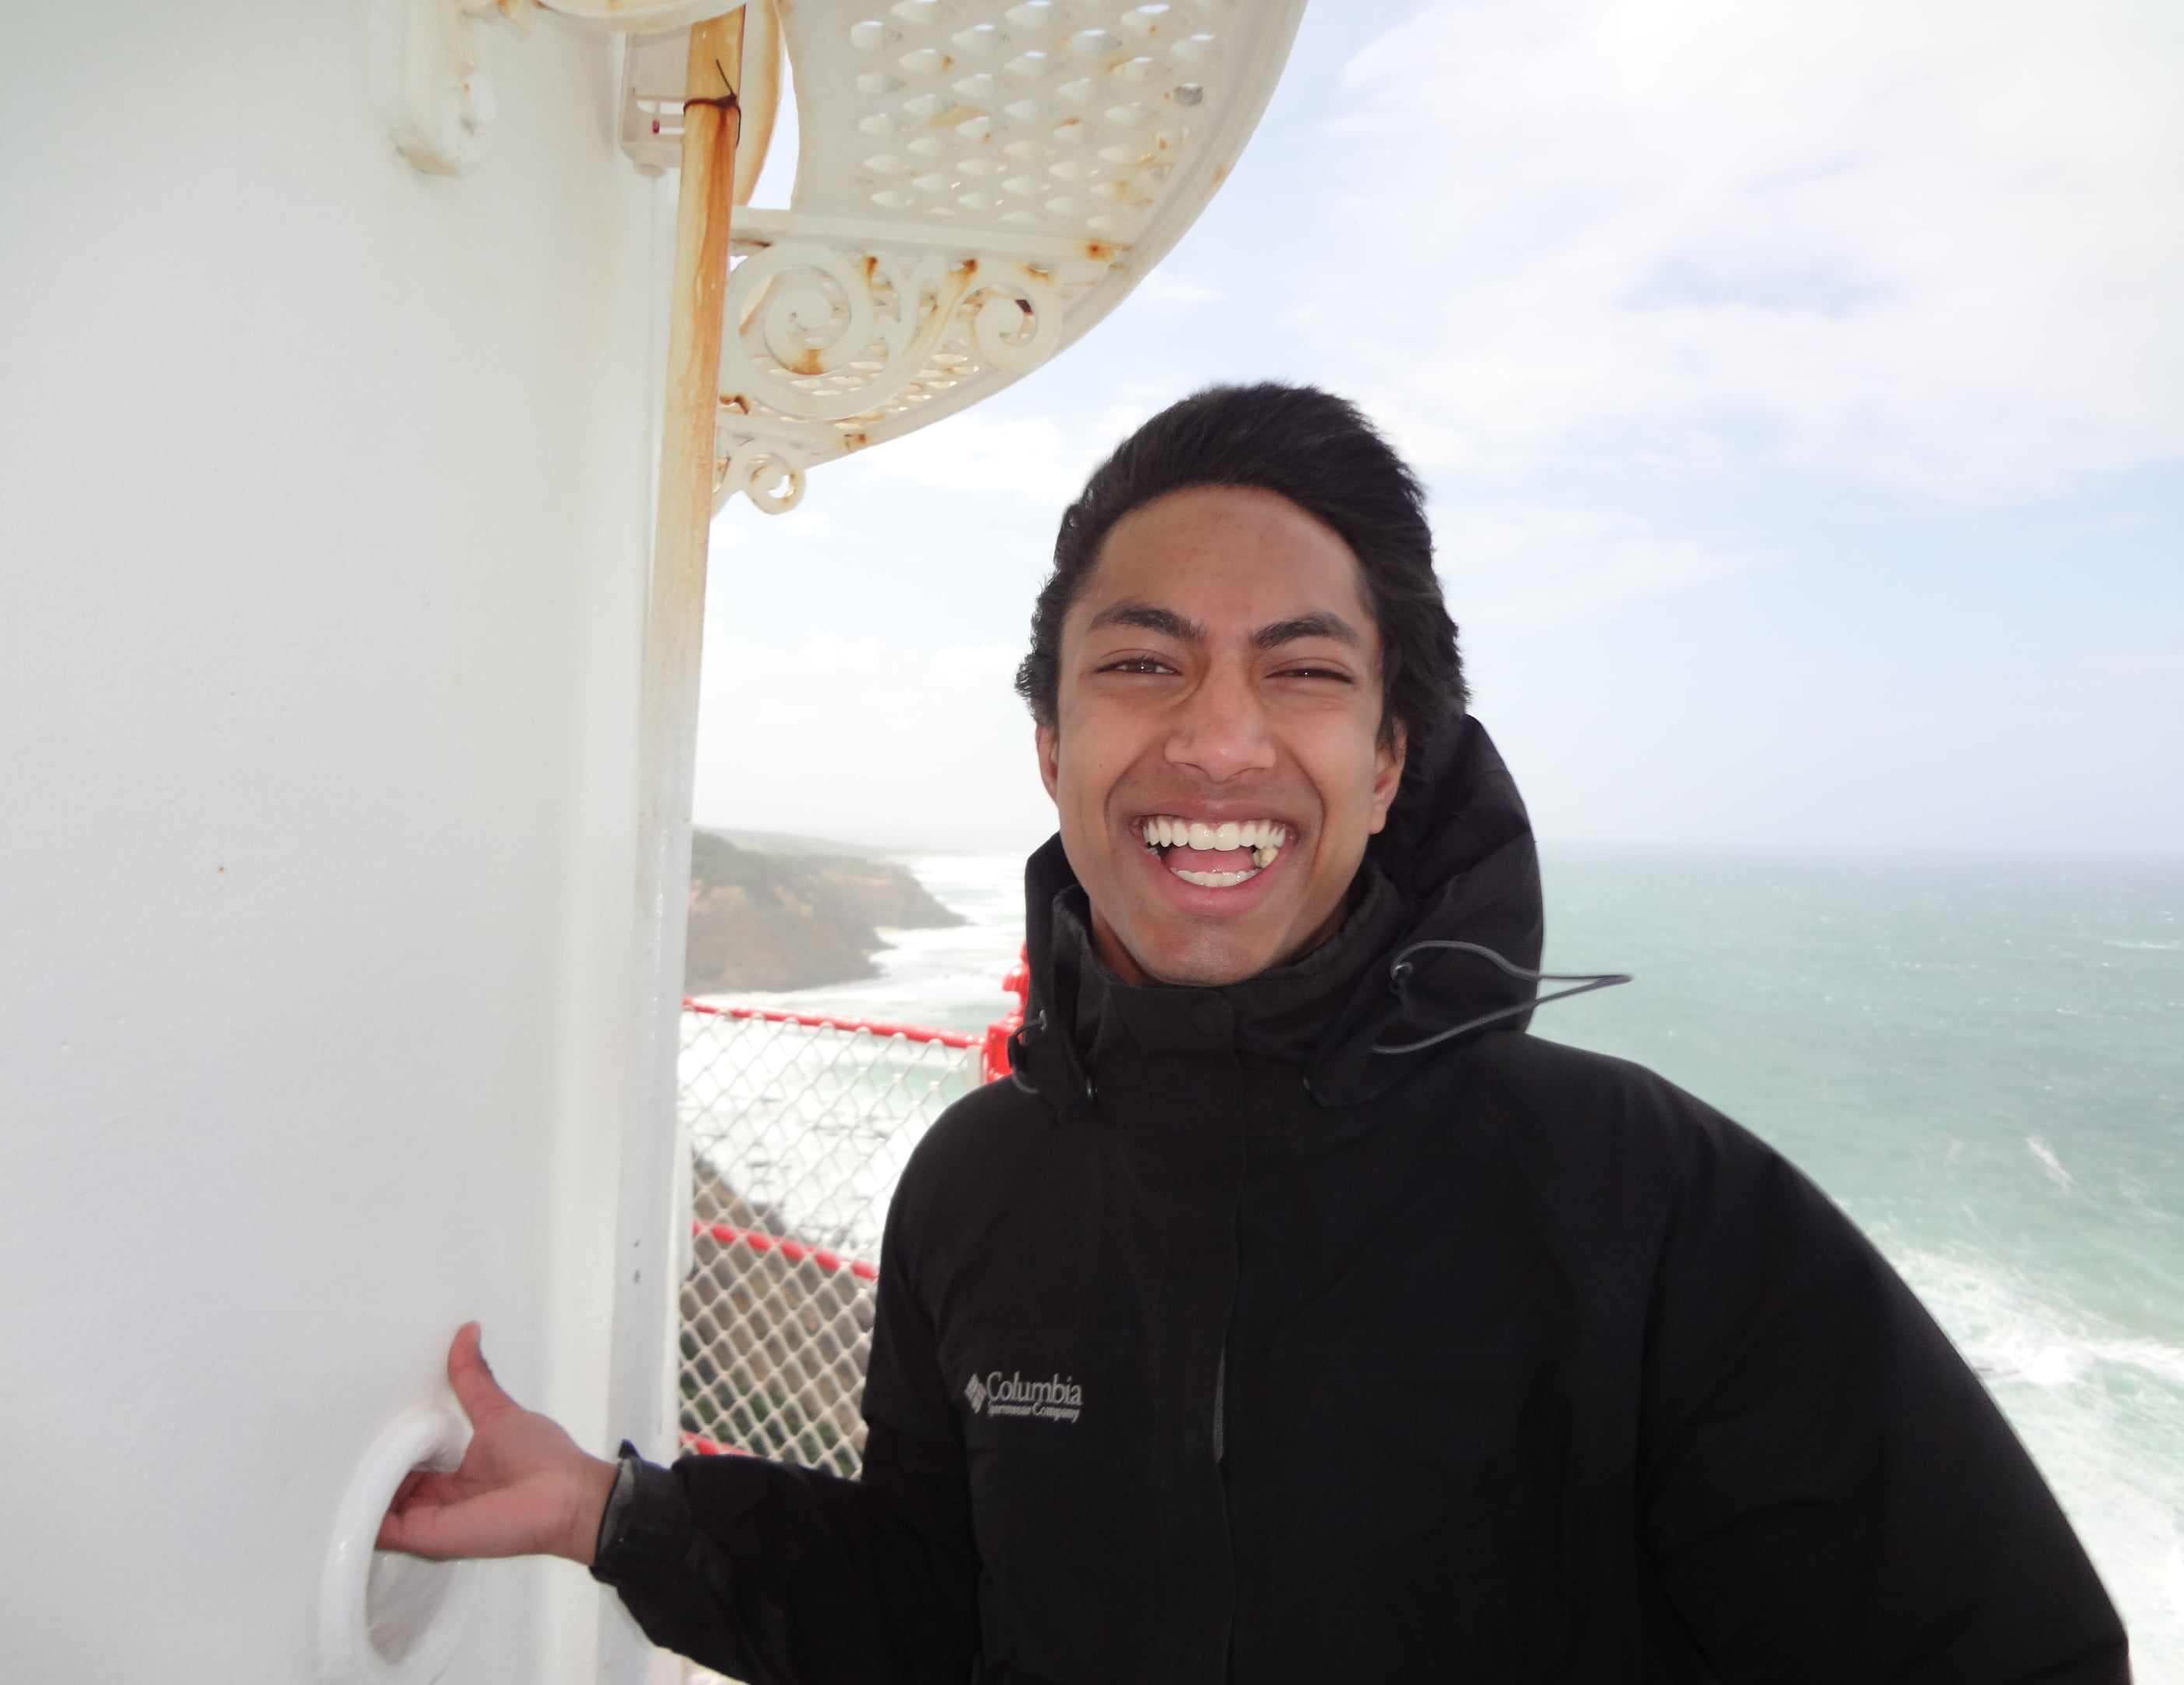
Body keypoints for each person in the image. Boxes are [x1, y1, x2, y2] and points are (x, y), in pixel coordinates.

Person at [382, 385, 2130, 1682]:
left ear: (1387, 763)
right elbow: (940, 1615)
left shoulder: (1648, 1201)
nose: (1220, 742)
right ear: (1052, 748)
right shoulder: (977, 1188)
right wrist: (618, 1518)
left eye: (1303, 669)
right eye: (1144, 664)